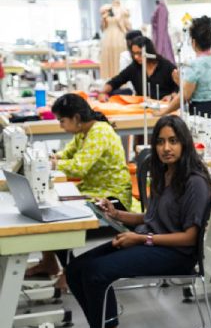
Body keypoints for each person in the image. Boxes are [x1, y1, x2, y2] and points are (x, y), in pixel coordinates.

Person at [66, 115, 211, 328]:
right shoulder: (165, 173)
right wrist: (117, 215)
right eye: (160, 142)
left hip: (176, 254)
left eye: (173, 141)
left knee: (96, 272)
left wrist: (141, 239)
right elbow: (151, 219)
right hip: (151, 242)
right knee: (76, 268)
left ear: (185, 144)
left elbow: (190, 238)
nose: (166, 148)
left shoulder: (195, 182)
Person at [25, 94, 133, 279]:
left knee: (56, 214)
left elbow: (79, 167)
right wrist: (51, 158)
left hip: (112, 197)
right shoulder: (83, 133)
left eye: (62, 120)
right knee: (48, 207)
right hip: (92, 190)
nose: (60, 125)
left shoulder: (100, 132)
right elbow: (66, 155)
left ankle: (69, 272)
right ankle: (50, 261)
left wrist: (48, 164)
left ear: (76, 118)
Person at [162, 16, 211, 141]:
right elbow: (204, 87)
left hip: (204, 116)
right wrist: (182, 82)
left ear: (193, 42)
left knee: (203, 153)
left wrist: (163, 112)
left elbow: (185, 95)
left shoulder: (194, 65)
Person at [99, 36, 178, 102]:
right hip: (142, 109)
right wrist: (102, 93)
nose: (136, 57)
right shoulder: (134, 68)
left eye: (139, 53)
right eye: (134, 53)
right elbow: (115, 81)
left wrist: (172, 96)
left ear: (148, 52)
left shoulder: (166, 66)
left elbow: (180, 86)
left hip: (165, 107)